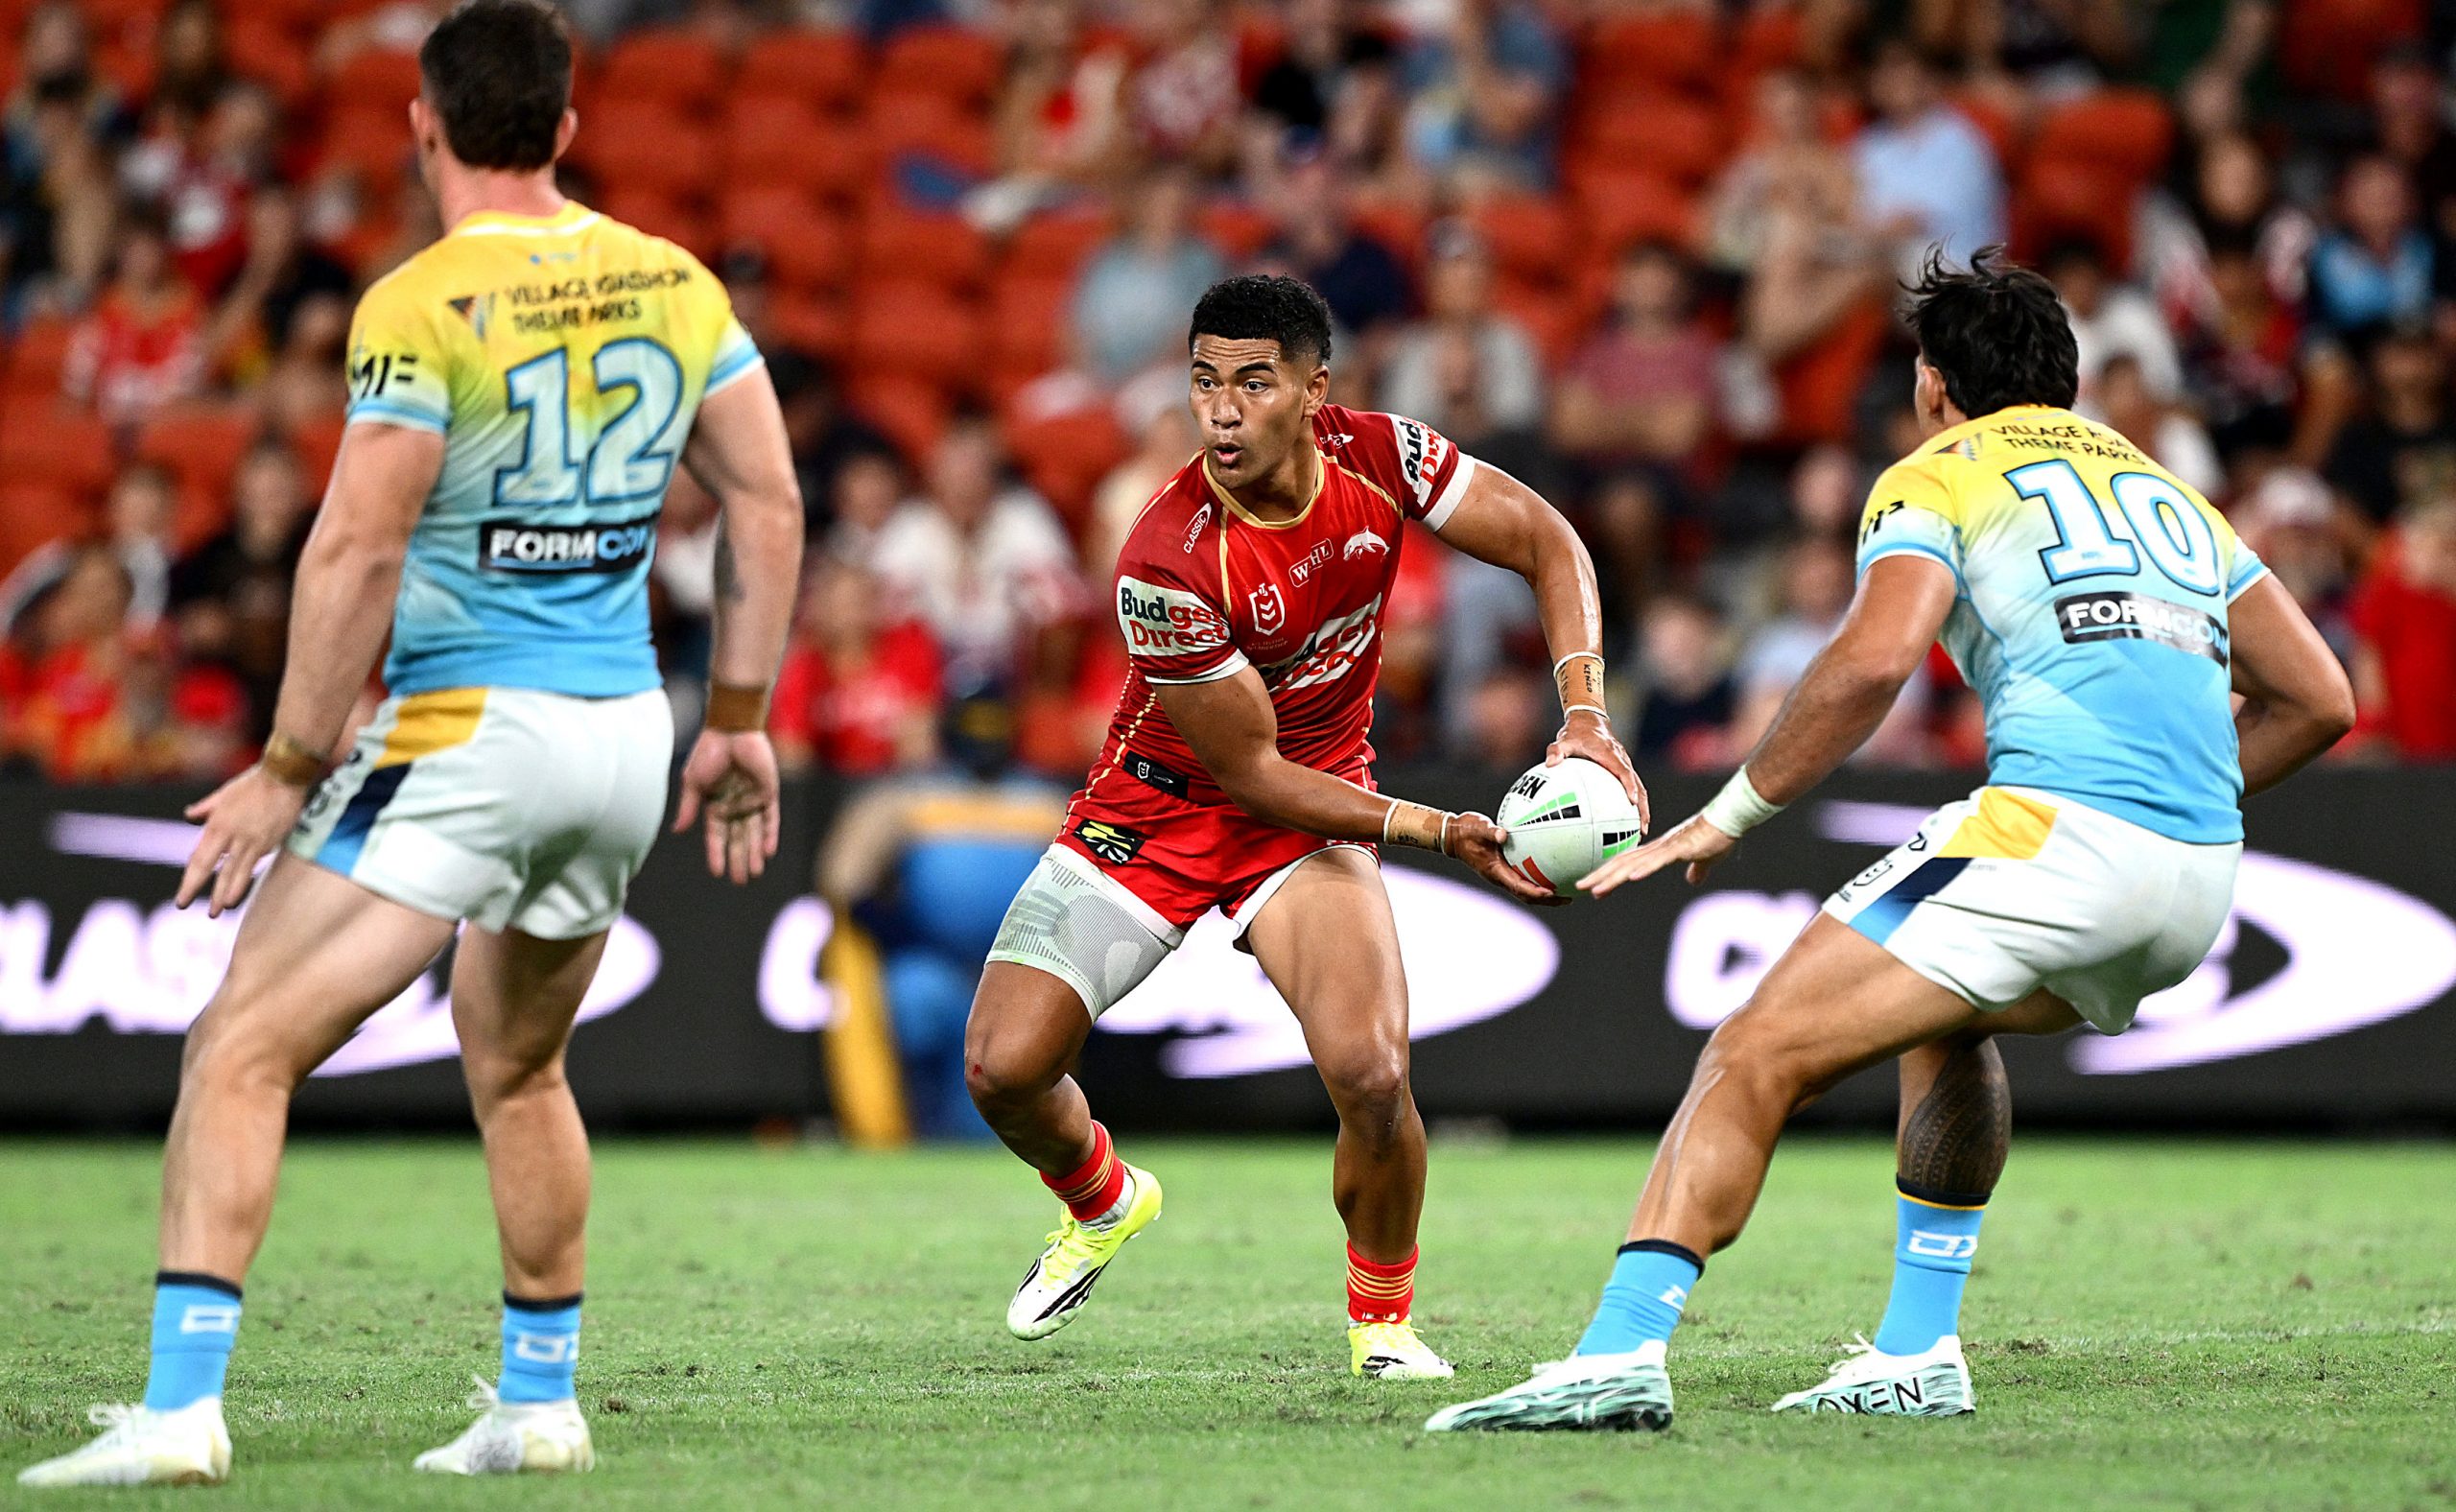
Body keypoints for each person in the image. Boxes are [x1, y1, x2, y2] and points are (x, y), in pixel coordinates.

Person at [17, 0, 804, 1488]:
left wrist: (288, 764)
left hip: (467, 729)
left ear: (422, 127)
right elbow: (767, 502)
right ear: (567, 131)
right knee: (518, 1065)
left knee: (238, 1048)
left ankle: (180, 1413)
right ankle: (541, 1401)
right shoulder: (677, 283)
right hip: (626, 733)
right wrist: (742, 720)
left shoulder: (422, 302)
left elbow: (355, 549)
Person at [1427, 248, 2352, 1433]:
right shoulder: (2172, 493)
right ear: (2063, 382)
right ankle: (1918, 1348)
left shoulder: (1940, 471)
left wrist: (1728, 813)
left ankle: (1618, 1347)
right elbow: (2319, 697)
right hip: (2197, 875)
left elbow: (1872, 657)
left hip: (2055, 833)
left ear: (1931, 384)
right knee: (1945, 1016)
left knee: (1752, 1049)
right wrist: (2183, 800)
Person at [964, 273, 1643, 1380]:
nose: (1221, 411)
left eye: (1251, 382)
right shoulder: (1164, 561)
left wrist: (1585, 717)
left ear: (1312, 389)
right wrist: (1436, 827)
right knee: (1000, 1067)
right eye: (1202, 383)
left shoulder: (1385, 455)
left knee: (1373, 1076)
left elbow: (1546, 538)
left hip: (1307, 813)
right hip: (1159, 809)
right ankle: (1103, 1197)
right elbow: (1250, 770)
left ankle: (1382, 1325)